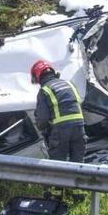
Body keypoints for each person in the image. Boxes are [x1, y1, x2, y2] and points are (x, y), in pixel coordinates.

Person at [31, 59, 88, 203]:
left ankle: (56, 195)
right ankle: (77, 193)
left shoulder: (45, 90)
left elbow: (42, 121)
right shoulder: (69, 84)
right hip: (79, 127)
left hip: (61, 130)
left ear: (38, 76)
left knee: (58, 162)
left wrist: (41, 124)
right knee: (77, 161)